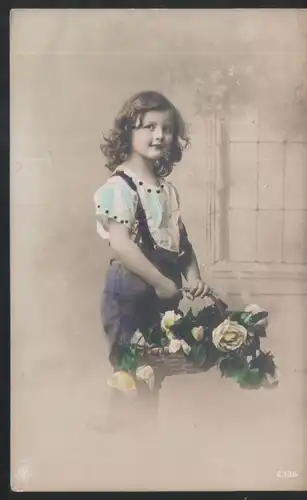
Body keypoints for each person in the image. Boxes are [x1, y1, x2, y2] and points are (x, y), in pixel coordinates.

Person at [94, 91, 213, 391]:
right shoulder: (119, 188)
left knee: (153, 373)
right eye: (149, 127)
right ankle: (125, 432)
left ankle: (142, 433)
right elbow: (121, 245)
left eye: (168, 129)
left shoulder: (167, 191)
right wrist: (161, 282)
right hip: (129, 295)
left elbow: (181, 243)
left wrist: (193, 276)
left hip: (162, 293)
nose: (160, 135)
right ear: (128, 131)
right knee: (130, 374)